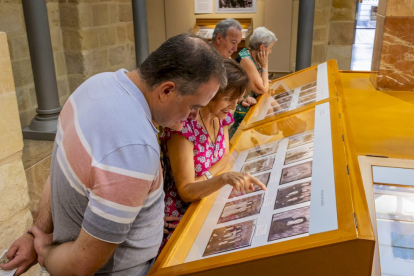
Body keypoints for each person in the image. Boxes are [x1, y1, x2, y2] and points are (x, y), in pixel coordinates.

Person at [0, 33, 228, 276]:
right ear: (167, 90)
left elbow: (62, 172)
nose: (193, 118)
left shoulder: (98, 83)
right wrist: (45, 251)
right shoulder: (133, 149)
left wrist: (36, 232)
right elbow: (81, 265)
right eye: (194, 107)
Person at [158, 59, 266, 253]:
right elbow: (186, 192)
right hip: (181, 215)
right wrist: (221, 177)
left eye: (237, 99)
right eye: (228, 99)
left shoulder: (221, 116)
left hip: (208, 197)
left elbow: (225, 157)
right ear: (210, 93)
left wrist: (206, 177)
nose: (233, 107)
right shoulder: (184, 126)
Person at [230, 27, 278, 137]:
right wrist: (265, 66)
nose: (270, 51)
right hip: (242, 103)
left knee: (269, 101)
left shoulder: (250, 56)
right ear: (262, 47)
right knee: (267, 102)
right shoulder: (246, 59)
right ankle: (273, 134)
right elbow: (262, 89)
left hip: (248, 100)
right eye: (270, 48)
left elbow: (261, 83)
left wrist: (263, 81)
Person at [211, 18, 257, 117]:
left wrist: (241, 100)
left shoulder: (227, 59)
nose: (235, 48)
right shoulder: (203, 59)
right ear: (219, 38)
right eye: (233, 42)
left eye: (237, 43)